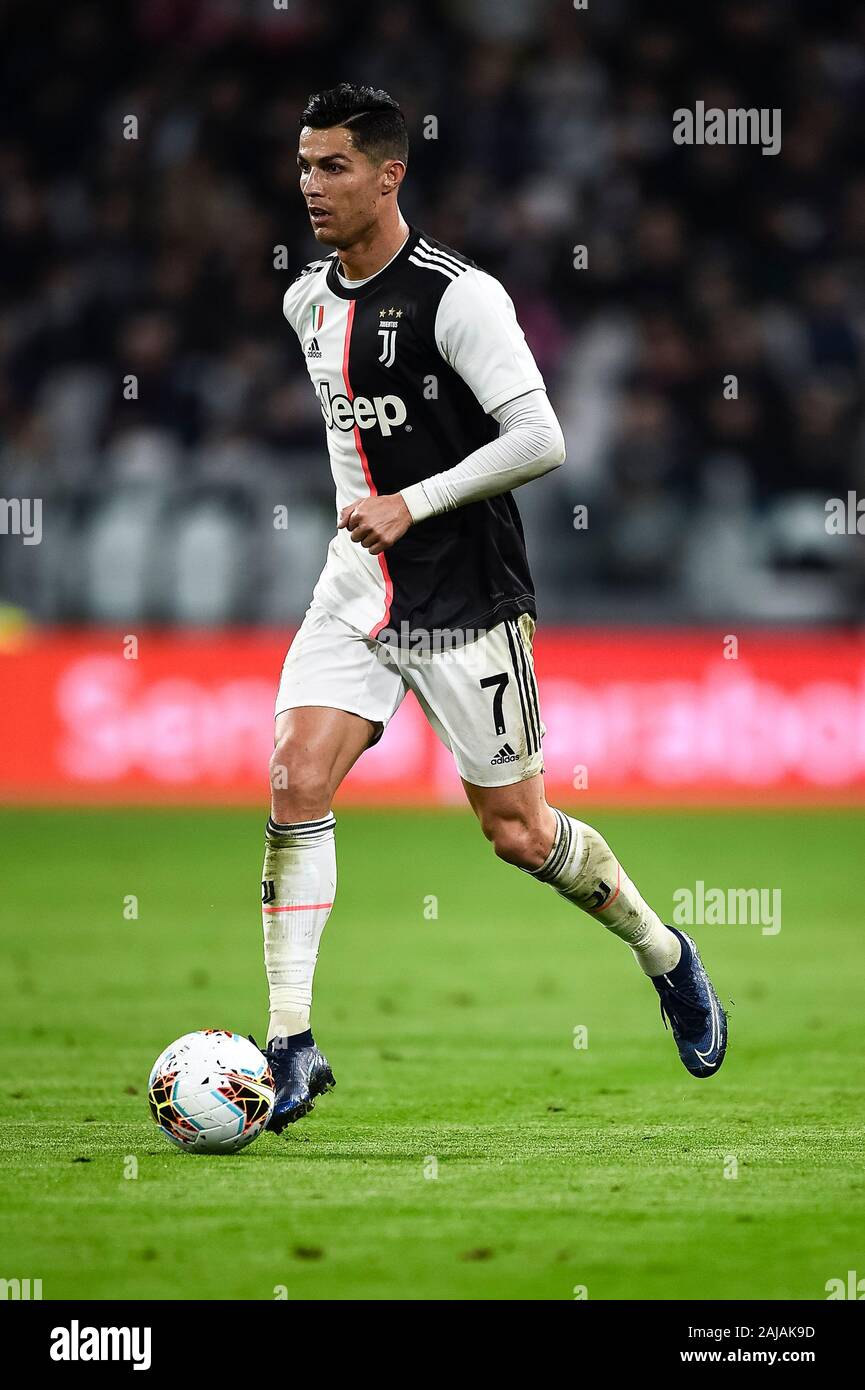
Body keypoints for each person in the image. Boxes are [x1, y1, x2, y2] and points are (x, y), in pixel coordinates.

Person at [261, 83, 727, 1131]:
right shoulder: (305, 301)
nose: (311, 185)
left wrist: (410, 501)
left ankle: (666, 955)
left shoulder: (459, 297)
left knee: (518, 832)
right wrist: (367, 513)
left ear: (390, 174)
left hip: (464, 597)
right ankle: (291, 1043)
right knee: (294, 775)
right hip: (357, 590)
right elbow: (356, 441)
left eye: (333, 165)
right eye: (302, 164)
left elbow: (540, 438)